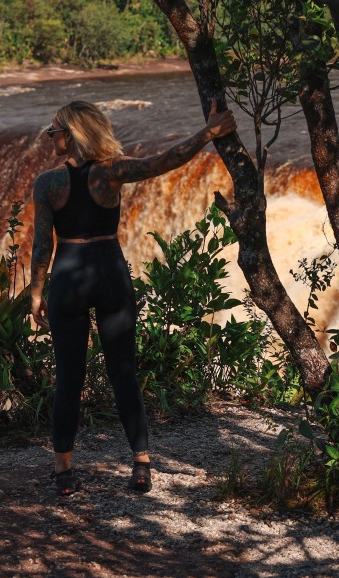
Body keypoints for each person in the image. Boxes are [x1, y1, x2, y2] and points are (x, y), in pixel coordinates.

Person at [30, 98, 236, 495]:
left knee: (68, 376)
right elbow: (163, 161)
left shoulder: (48, 184)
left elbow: (42, 246)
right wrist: (208, 133)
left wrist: (36, 293)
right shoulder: (112, 171)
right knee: (123, 372)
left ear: (71, 134)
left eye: (54, 130)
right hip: (109, 274)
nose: (50, 136)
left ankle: (63, 471)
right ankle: (141, 464)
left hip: (69, 279)